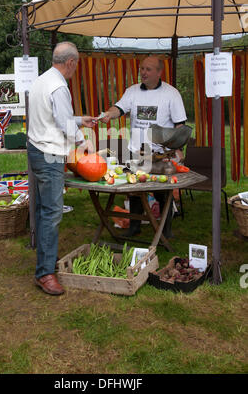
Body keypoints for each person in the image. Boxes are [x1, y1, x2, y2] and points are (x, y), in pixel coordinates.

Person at [27, 41, 95, 296]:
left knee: (45, 209)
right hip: (50, 154)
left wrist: (79, 119)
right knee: (52, 213)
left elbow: (54, 115)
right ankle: (45, 274)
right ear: (70, 63)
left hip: (37, 149)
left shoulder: (42, 80)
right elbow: (63, 123)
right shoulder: (59, 86)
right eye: (76, 65)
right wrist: (82, 140)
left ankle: (44, 264)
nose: (75, 69)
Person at [99, 55, 187, 238]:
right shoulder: (132, 91)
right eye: (141, 69)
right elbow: (119, 108)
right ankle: (135, 225)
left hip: (161, 154)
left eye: (148, 69)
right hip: (136, 152)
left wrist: (179, 148)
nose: (143, 73)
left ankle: (165, 229)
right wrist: (108, 114)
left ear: (159, 72)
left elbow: (180, 126)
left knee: (162, 191)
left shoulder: (171, 94)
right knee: (135, 190)